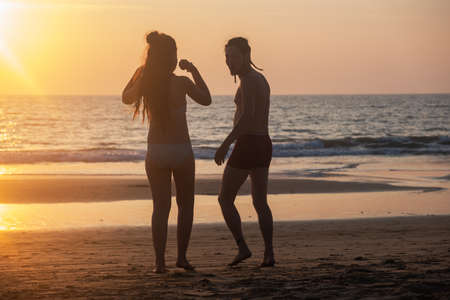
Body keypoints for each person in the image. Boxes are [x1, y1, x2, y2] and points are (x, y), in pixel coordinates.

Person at [122, 31, 211, 273]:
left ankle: (159, 263)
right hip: (181, 150)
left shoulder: (146, 82)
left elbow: (126, 98)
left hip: (157, 152)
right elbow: (207, 99)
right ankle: (181, 257)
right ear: (171, 57)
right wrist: (193, 70)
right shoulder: (181, 82)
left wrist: (138, 74)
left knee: (160, 209)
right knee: (186, 206)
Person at [215, 37, 275, 267]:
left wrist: (225, 144)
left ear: (247, 55)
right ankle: (269, 253)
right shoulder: (260, 79)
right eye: (227, 56)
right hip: (263, 143)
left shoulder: (249, 80)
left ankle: (242, 247)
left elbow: (247, 118)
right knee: (260, 203)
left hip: (249, 144)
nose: (230, 61)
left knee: (224, 199)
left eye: (234, 56)